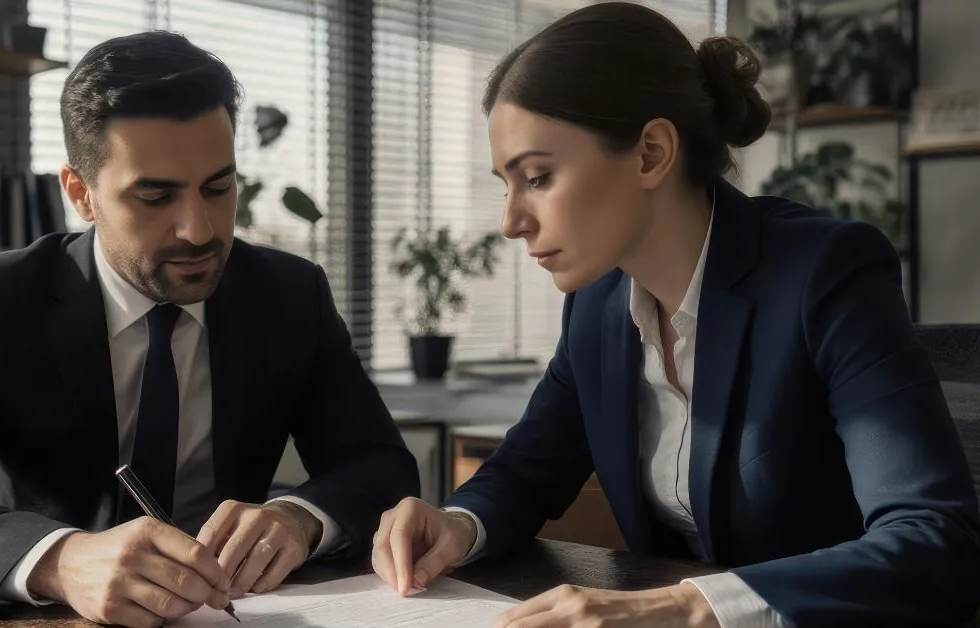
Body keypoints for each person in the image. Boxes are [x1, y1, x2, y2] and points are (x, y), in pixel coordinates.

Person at [371, 3, 980, 627]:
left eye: (538, 177)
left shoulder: (824, 274)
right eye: (506, 184)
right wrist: (458, 524)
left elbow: (937, 539)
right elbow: (527, 471)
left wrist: (687, 606)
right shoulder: (597, 306)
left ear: (651, 153)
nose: (510, 222)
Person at [0, 30, 419, 628]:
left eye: (219, 187)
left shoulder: (289, 295)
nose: (199, 229)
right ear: (81, 193)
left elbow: (380, 465)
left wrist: (299, 517)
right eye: (155, 196)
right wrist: (61, 559)